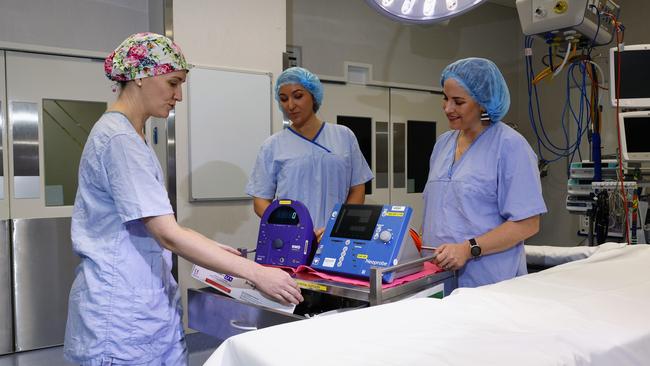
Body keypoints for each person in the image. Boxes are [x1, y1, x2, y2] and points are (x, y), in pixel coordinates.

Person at [63, 32, 302, 366]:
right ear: (142, 76)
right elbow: (167, 233)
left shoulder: (130, 135)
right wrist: (257, 273)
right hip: (120, 316)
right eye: (173, 83)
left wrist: (217, 249)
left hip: (140, 306)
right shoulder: (119, 139)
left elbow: (160, 225)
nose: (179, 96)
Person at [422, 57, 547, 288]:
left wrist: (468, 249)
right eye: (445, 98)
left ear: (482, 103)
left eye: (458, 102)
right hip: (437, 278)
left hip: (488, 282)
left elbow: (528, 223)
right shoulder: (442, 145)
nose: (448, 108)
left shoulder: (510, 146)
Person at [246, 67, 373, 233]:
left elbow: (357, 188)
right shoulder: (273, 145)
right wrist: (295, 229)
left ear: (313, 96)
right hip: (291, 237)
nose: (290, 105)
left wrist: (337, 227)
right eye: (283, 99)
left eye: (298, 96)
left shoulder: (343, 136)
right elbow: (260, 202)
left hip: (335, 235)